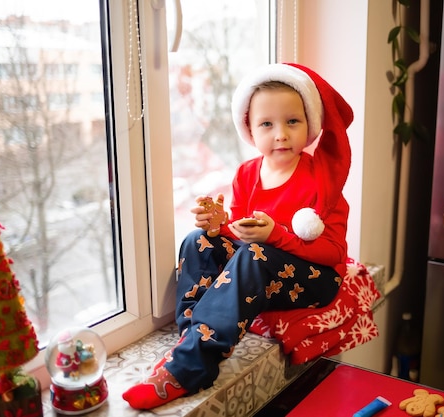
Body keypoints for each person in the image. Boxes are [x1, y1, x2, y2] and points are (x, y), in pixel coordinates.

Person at [122, 63, 354, 409]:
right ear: (249, 128)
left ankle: (191, 367)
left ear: (309, 125)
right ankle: (191, 341)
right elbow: (241, 231)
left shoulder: (320, 179)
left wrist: (276, 235)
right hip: (264, 268)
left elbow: (334, 252)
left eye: (293, 121)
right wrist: (220, 226)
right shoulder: (247, 173)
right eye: (267, 124)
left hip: (316, 278)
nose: (281, 134)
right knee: (196, 240)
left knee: (255, 255)